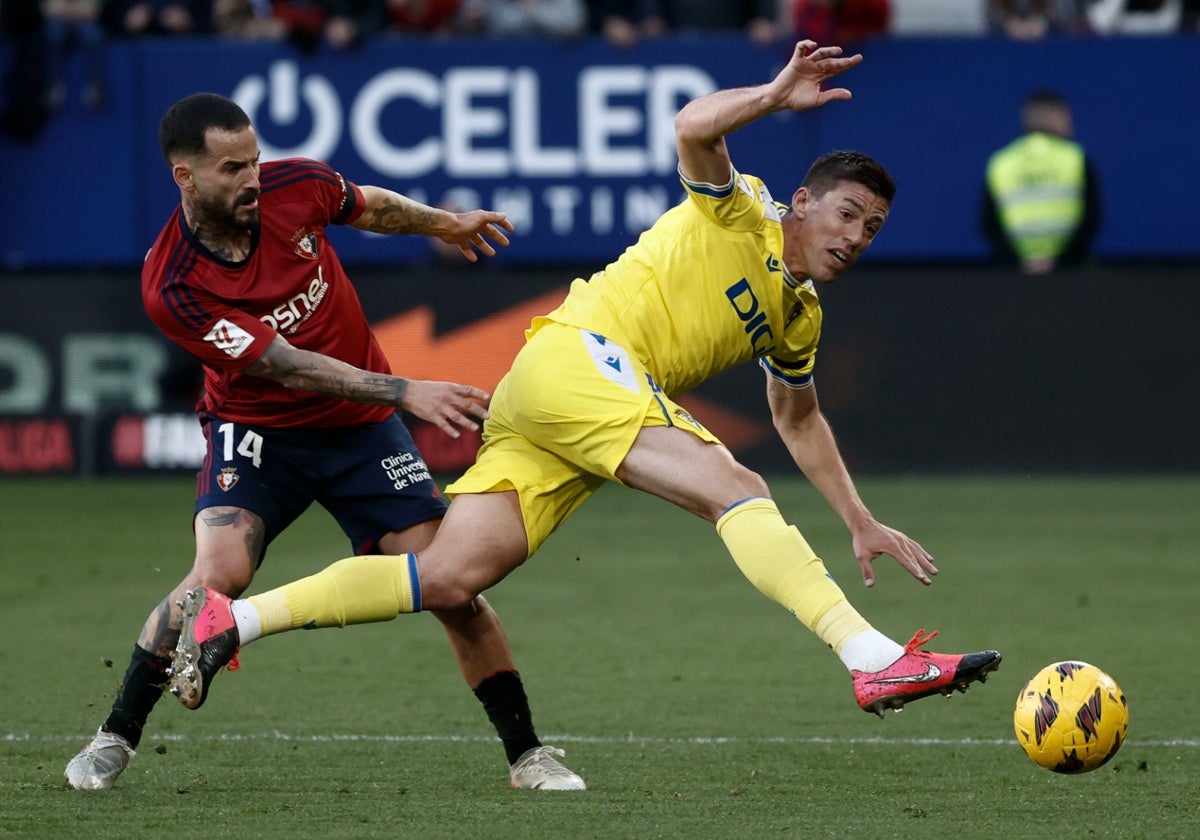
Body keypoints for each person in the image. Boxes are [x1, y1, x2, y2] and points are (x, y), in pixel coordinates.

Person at [169, 43, 1002, 752]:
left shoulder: (799, 317)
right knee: (737, 490)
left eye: (872, 230)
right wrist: (775, 98)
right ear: (807, 202)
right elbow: (691, 127)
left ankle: (227, 625)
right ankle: (869, 656)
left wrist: (858, 519)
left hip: (559, 406)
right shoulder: (742, 210)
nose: (853, 238)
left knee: (451, 576)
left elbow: (798, 416)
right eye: (847, 214)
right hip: (582, 359)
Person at [64, 92, 585, 793]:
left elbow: (367, 204)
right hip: (259, 432)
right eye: (230, 168)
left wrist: (447, 224)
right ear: (185, 177)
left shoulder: (293, 184)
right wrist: (405, 390)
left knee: (452, 584)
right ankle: (115, 736)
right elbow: (283, 364)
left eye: (253, 159)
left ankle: (528, 756)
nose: (251, 177)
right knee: (217, 577)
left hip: (359, 430)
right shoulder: (174, 283)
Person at [981, 89, 1102, 275]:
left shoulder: (1002, 162)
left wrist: (1019, 263)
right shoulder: (1075, 158)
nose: (1070, 124)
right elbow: (1092, 219)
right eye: (1066, 117)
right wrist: (1061, 262)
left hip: (1014, 278)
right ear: (1055, 116)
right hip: (1071, 274)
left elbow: (988, 225)